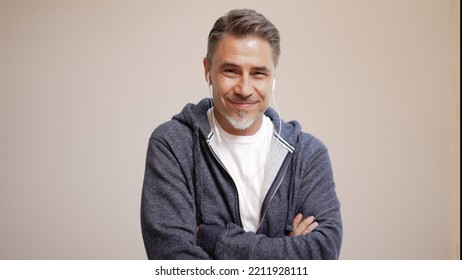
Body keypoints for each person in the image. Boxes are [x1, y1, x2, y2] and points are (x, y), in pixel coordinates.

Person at [141, 8, 342, 259]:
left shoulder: (308, 154)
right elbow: (173, 260)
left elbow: (323, 254)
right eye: (231, 71)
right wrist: (286, 250)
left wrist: (211, 239)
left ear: (273, 76)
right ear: (208, 70)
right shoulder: (172, 144)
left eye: (258, 73)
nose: (245, 89)